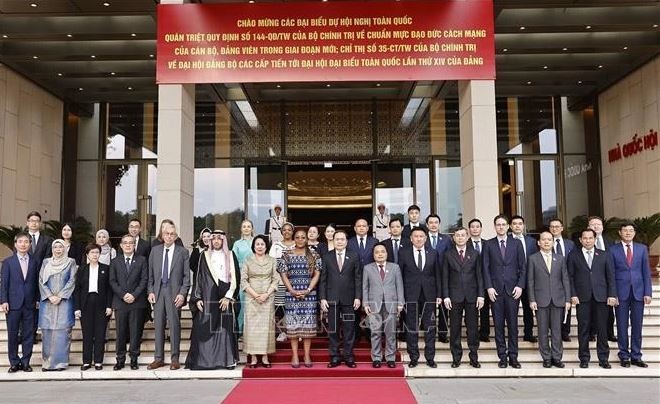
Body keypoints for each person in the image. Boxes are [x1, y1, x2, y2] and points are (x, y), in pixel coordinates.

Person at [186, 230, 240, 370]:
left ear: (223, 240)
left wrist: (229, 296)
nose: (216, 241)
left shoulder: (230, 255)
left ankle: (227, 360)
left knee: (225, 329)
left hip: (225, 297)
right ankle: (206, 361)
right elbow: (199, 277)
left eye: (219, 239)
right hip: (208, 297)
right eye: (214, 239)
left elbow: (235, 278)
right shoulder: (204, 255)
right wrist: (197, 298)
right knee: (204, 327)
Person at [568, 229, 617, 369]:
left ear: (595, 239)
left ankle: (603, 358)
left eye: (590, 238)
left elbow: (610, 277)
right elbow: (570, 277)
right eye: (585, 238)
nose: (588, 240)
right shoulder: (573, 255)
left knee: (602, 329)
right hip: (582, 298)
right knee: (583, 329)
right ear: (580, 240)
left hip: (601, 297)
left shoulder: (604, 255)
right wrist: (573, 294)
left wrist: (612, 295)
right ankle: (584, 358)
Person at [482, 214, 526, 369]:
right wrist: (489, 287)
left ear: (508, 227)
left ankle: (513, 356)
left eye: (503, 224)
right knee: (499, 326)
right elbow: (485, 268)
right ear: (494, 227)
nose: (501, 227)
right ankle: (502, 356)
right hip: (496, 291)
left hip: (513, 290)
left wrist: (520, 286)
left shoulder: (517, 244)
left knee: (513, 326)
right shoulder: (488, 244)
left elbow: (523, 267)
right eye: (498, 224)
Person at [147, 221, 191, 370]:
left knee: (174, 326)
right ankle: (158, 358)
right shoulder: (155, 251)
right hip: (158, 293)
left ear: (176, 236)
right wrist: (150, 291)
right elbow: (150, 275)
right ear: (162, 235)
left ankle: (174, 358)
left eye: (172, 234)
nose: (169, 236)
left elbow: (186, 277)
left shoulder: (183, 252)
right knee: (158, 326)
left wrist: (182, 294)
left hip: (174, 294)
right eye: (167, 233)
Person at [527, 232, 571, 369]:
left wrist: (568, 299)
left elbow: (565, 280)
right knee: (543, 331)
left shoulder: (560, 259)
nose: (546, 242)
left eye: (549, 240)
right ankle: (546, 357)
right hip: (540, 300)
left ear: (553, 242)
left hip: (558, 299)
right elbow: (530, 281)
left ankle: (557, 357)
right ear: (538, 242)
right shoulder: (533, 259)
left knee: (557, 331)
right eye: (544, 240)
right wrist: (532, 299)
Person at [611, 223, 652, 368]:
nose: (628, 233)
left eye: (630, 231)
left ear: (634, 233)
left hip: (638, 293)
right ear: (620, 232)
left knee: (637, 326)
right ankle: (624, 355)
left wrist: (648, 292)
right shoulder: (613, 250)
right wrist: (612, 294)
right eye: (625, 231)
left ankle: (636, 355)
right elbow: (611, 274)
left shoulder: (642, 249)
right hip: (620, 293)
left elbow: (646, 272)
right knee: (622, 325)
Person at [277, 229, 321, 368]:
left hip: (309, 295)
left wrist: (307, 290)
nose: (300, 239)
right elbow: (283, 274)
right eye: (297, 237)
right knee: (293, 327)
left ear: (307, 239)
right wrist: (292, 290)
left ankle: (307, 355)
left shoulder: (314, 254)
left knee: (307, 327)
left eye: (303, 237)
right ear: (294, 239)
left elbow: (317, 274)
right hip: (292, 294)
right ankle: (295, 355)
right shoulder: (286, 255)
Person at [399, 227, 441, 368]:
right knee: (412, 328)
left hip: (429, 295)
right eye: (415, 236)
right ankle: (414, 357)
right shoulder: (403, 253)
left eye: (421, 236)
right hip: (410, 295)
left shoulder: (433, 253)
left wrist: (439, 295)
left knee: (430, 327)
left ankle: (430, 357)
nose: (418, 238)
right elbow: (400, 277)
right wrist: (401, 297)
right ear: (411, 238)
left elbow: (437, 275)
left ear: (425, 238)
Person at [442, 227, 484, 368]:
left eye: (462, 235)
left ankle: (474, 357)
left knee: (472, 328)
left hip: (472, 296)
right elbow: (445, 277)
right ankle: (456, 357)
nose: (460, 237)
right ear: (453, 238)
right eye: (457, 235)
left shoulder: (475, 253)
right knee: (455, 329)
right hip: (454, 297)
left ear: (467, 237)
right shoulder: (448, 254)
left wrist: (481, 295)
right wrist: (446, 296)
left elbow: (479, 276)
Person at [320, 230, 362, 368]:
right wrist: (323, 298)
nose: (339, 241)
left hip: (349, 299)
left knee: (349, 328)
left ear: (346, 241)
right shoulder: (326, 257)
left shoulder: (354, 256)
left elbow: (357, 278)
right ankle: (334, 356)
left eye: (342, 239)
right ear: (333, 240)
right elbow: (323, 280)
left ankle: (349, 356)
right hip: (331, 299)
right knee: (333, 329)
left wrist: (357, 297)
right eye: (337, 239)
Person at [1, 233, 39, 373]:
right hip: (13, 303)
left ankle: (25, 362)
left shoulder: (35, 261)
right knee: (12, 334)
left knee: (28, 334)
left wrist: (37, 299)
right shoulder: (8, 262)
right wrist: (4, 300)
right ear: (15, 244)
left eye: (26, 242)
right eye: (20, 242)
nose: (23, 244)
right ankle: (14, 362)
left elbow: (37, 283)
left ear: (30, 244)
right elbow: (4, 284)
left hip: (30, 303)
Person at [109, 234, 148, 370]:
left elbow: (144, 280)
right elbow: (112, 281)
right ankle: (120, 359)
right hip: (120, 302)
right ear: (120, 245)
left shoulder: (142, 260)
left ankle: (134, 359)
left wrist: (134, 295)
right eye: (125, 243)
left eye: (131, 243)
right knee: (120, 333)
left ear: (134, 245)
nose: (128, 245)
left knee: (135, 332)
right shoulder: (115, 261)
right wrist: (123, 294)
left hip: (137, 302)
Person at [241, 234, 280, 368]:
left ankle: (264, 357)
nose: (260, 246)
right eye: (257, 244)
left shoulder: (272, 261)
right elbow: (244, 281)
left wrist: (266, 294)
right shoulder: (248, 260)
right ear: (254, 246)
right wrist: (256, 295)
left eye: (262, 244)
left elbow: (275, 280)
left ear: (266, 246)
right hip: (252, 298)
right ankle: (252, 357)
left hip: (267, 298)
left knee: (266, 328)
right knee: (252, 328)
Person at [38, 239, 78, 371]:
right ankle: (47, 363)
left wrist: (60, 296)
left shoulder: (70, 262)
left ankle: (60, 363)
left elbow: (72, 280)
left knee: (63, 332)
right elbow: (41, 280)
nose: (58, 249)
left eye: (60, 247)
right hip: (47, 302)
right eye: (55, 247)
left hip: (64, 301)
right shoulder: (46, 262)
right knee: (47, 332)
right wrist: (49, 296)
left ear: (64, 249)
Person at [363, 243, 404, 369]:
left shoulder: (395, 267)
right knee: (375, 333)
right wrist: (365, 303)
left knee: (390, 333)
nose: (380, 254)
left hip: (391, 303)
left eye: (382, 251)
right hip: (374, 304)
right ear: (373, 255)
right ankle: (376, 358)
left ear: (386, 253)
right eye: (377, 252)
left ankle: (390, 358)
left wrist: (400, 303)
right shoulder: (367, 268)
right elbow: (365, 287)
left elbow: (399, 286)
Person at [74, 243, 113, 371]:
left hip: (101, 303)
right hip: (86, 303)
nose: (95, 255)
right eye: (92, 253)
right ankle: (86, 361)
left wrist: (109, 306)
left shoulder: (106, 268)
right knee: (87, 334)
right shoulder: (82, 269)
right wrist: (77, 307)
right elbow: (77, 290)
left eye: (97, 252)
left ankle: (98, 361)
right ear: (87, 255)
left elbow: (109, 289)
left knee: (100, 333)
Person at [588, 216, 617, 342]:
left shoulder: (610, 242)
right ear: (588, 227)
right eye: (592, 224)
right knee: (592, 309)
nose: (596, 226)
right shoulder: (584, 241)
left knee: (609, 309)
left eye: (598, 224)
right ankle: (592, 332)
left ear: (602, 227)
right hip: (591, 280)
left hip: (606, 280)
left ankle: (609, 333)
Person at [510, 215, 539, 343]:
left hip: (528, 280)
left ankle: (528, 333)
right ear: (510, 226)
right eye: (514, 223)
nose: (517, 226)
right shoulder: (506, 240)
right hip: (511, 281)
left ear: (523, 226)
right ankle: (513, 333)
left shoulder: (531, 242)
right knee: (512, 309)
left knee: (528, 308)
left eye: (520, 223)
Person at [548, 218, 576, 342]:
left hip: (566, 278)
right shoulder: (546, 242)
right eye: (552, 227)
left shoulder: (570, 244)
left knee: (566, 303)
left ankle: (565, 331)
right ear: (549, 229)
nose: (555, 229)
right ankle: (553, 329)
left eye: (557, 226)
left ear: (562, 228)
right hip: (550, 278)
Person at [425, 214, 450, 343]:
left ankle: (442, 333)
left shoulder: (446, 239)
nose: (433, 225)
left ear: (439, 224)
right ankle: (428, 331)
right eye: (431, 222)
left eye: (436, 222)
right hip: (427, 276)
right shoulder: (422, 239)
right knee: (428, 306)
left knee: (443, 308)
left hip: (443, 276)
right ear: (427, 225)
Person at [269, 222, 295, 342]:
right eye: (284, 230)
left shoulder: (297, 244)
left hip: (295, 281)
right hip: (279, 281)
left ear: (292, 231)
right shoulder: (276, 245)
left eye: (289, 230)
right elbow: (271, 263)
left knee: (293, 307)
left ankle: (294, 331)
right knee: (280, 307)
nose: (287, 232)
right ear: (281, 232)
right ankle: (282, 332)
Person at [466, 218, 491, 342]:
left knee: (485, 308)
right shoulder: (465, 244)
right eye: (472, 227)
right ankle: (472, 332)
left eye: (477, 226)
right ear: (469, 229)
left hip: (485, 280)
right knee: (471, 309)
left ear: (481, 229)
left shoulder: (488, 244)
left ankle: (485, 333)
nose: (475, 229)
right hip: (470, 282)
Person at [232, 220, 255, 336]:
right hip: (241, 276)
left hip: (256, 276)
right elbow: (234, 261)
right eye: (244, 226)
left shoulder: (256, 242)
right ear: (241, 229)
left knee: (253, 304)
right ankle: (241, 331)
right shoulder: (237, 243)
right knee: (242, 304)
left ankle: (252, 332)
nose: (246, 228)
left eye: (248, 226)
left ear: (252, 229)